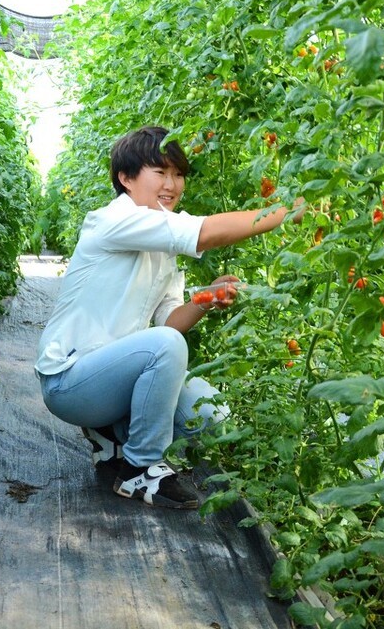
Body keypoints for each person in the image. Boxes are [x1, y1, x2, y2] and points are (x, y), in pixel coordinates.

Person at [35, 125, 302, 509]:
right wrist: (285, 210)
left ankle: (113, 436)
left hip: (112, 377)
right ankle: (140, 469)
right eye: (160, 172)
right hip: (71, 382)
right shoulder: (114, 220)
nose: (171, 184)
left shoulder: (163, 246)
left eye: (178, 174)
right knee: (166, 346)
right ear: (126, 179)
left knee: (209, 415)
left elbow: (168, 322)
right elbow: (204, 233)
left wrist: (205, 299)